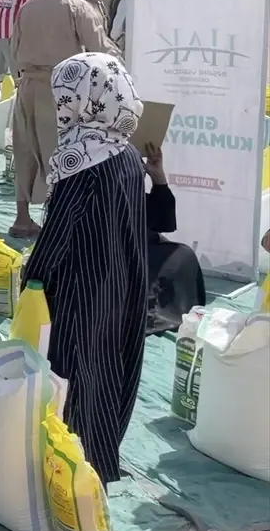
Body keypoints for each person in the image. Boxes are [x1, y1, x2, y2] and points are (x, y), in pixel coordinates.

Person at [21, 51, 146, 486]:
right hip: (123, 280)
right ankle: (100, 459)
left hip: (82, 284)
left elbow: (58, 232)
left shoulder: (83, 157)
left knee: (74, 369)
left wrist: (31, 277)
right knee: (109, 365)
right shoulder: (126, 152)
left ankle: (71, 470)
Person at [10, 0, 121, 237]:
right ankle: (58, 221)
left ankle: (22, 219)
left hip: (26, 86)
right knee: (61, 152)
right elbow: (100, 49)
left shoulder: (28, 8)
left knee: (24, 150)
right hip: (63, 87)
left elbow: (14, 50)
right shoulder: (78, 7)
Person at [142, 144, 207, 335]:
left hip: (139, 239)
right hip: (101, 244)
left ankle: (175, 315)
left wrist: (158, 177)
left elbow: (162, 222)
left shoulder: (123, 151)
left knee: (182, 255)